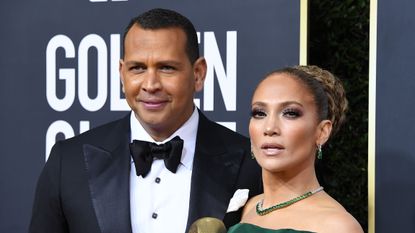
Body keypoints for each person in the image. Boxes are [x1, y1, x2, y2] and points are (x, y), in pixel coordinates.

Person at [29, 8, 261, 233]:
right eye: (137, 68)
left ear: (198, 74)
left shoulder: (252, 165)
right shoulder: (68, 163)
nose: (150, 84)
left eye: (167, 68)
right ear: (122, 74)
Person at [228, 65, 363, 233]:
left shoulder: (337, 227)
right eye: (259, 113)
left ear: (322, 132)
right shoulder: (244, 208)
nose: (269, 128)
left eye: (290, 113)